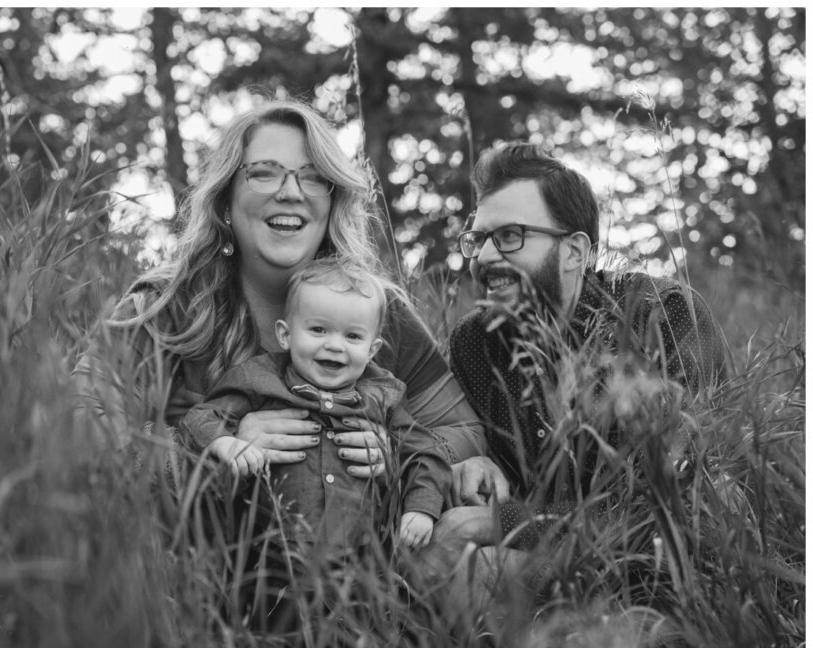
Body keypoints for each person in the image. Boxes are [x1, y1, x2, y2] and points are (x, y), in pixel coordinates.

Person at [74, 98, 506, 504]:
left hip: (346, 573)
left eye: (314, 177)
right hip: (185, 570)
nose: (291, 192)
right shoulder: (161, 307)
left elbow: (464, 430)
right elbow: (76, 429)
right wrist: (213, 452)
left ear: (333, 203)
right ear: (225, 197)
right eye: (264, 172)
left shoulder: (379, 312)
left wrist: (395, 452)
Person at [422, 141, 726, 603]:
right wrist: (470, 461)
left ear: (575, 251)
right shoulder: (474, 342)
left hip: (668, 576)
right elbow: (447, 444)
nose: (483, 257)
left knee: (476, 568)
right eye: (478, 239)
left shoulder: (662, 316)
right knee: (427, 556)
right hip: (543, 565)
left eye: (509, 237)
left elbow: (671, 502)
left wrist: (504, 523)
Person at [181, 257, 451, 549]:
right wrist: (226, 443)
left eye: (352, 336)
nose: (335, 345)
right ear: (286, 335)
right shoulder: (257, 379)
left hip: (360, 556)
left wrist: (420, 508)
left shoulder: (384, 394)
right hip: (272, 553)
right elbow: (201, 418)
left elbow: (424, 454)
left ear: (372, 350)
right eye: (319, 330)